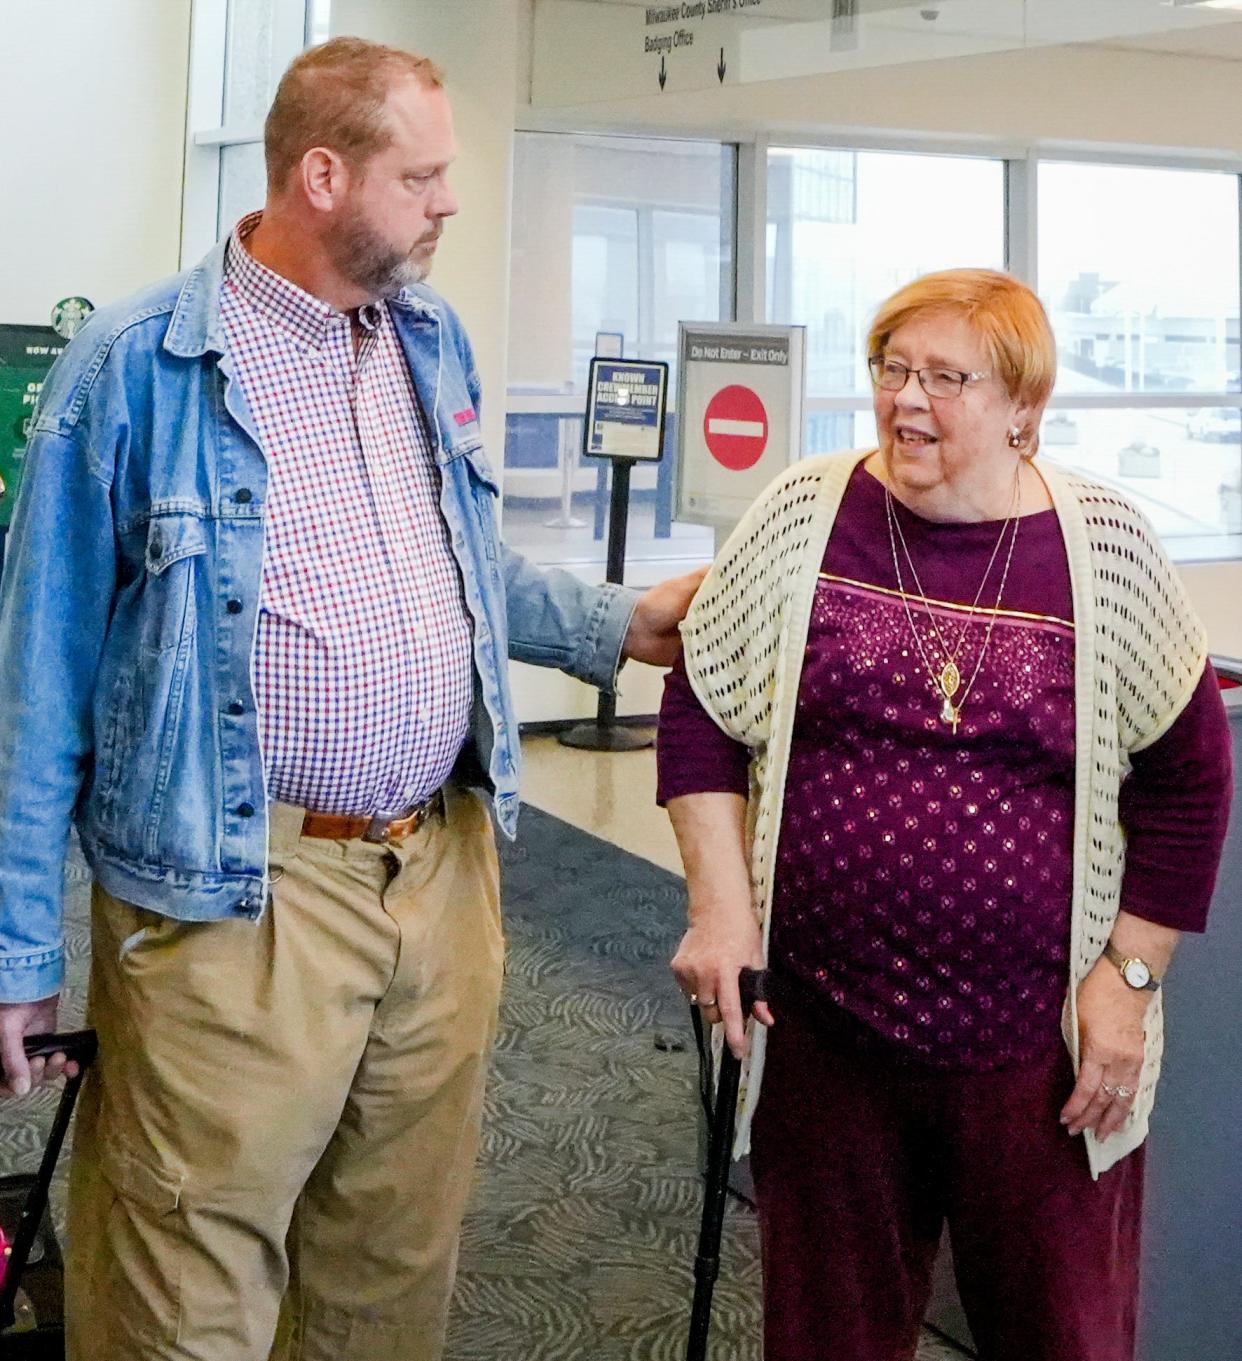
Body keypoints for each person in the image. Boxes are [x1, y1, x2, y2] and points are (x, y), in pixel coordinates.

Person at [0, 37, 701, 1361]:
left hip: (441, 877)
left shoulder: (424, 340)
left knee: (386, 1270)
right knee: (186, 1278)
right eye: (422, 176)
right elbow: (32, 680)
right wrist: (18, 949)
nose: (447, 202)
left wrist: (614, 624)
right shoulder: (136, 366)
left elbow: (455, 567)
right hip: (236, 894)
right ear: (322, 174)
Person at [658, 269, 1233, 1361]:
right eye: (892, 368)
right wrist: (721, 908)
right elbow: (702, 696)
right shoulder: (806, 511)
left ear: (1024, 404)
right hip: (826, 1031)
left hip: (1038, 1048)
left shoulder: (1100, 545)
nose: (907, 400)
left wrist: (1132, 976)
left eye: (946, 378)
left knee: (1058, 1330)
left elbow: (1189, 772)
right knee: (829, 1334)